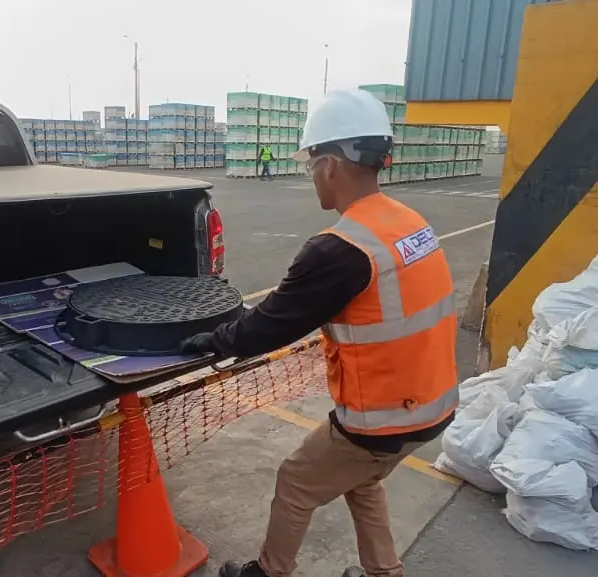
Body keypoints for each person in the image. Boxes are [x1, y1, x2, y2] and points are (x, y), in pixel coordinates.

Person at [181, 88, 459, 577]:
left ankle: (267, 573)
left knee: (296, 481)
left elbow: (268, 327)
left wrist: (213, 339)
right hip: (434, 404)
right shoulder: (409, 222)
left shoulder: (340, 249)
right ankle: (384, 572)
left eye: (312, 165)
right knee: (361, 479)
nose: (312, 176)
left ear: (331, 165)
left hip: (382, 420)